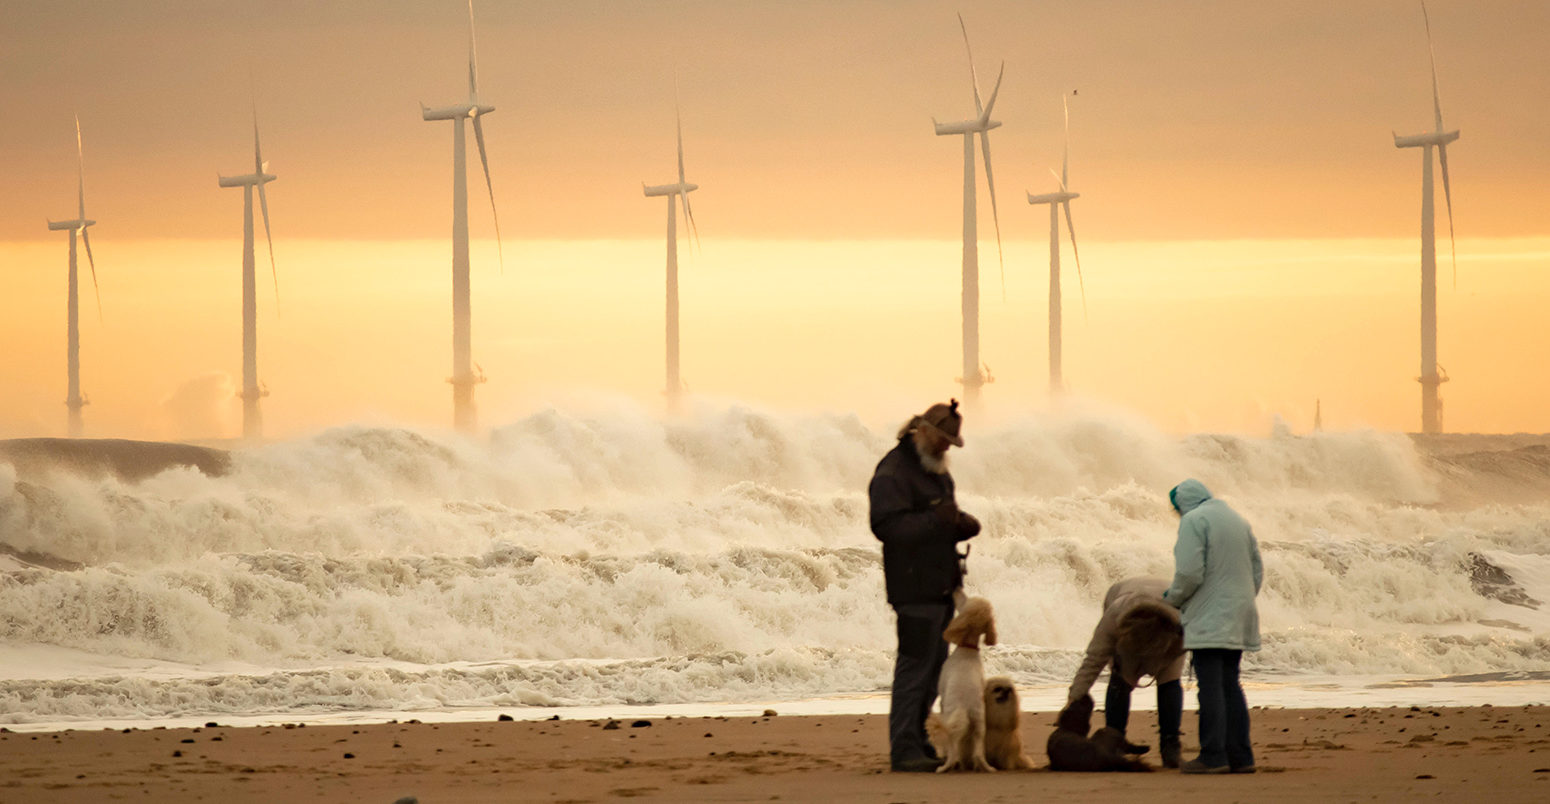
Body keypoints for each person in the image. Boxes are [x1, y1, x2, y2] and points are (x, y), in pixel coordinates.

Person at [869, 399, 981, 772]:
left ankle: (919, 743)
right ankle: (904, 750)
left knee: (934, 671)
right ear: (924, 431)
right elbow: (886, 527)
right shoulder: (893, 472)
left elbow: (940, 517)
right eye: (943, 440)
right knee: (915, 669)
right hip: (914, 590)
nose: (947, 447)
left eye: (951, 442)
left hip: (940, 587)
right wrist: (938, 520)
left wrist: (960, 523)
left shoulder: (933, 469)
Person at [1162, 478, 1264, 775]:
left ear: (1183, 503)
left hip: (1210, 616)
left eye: (1176, 508)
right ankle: (1241, 757)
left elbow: (1190, 573)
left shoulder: (1194, 520)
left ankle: (1213, 755)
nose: (1177, 514)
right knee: (1230, 683)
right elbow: (1256, 570)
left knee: (1210, 687)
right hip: (1240, 612)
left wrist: (1173, 598)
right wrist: (1238, 600)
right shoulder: (1237, 519)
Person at [1066, 577, 1186, 768]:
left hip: (1169, 630)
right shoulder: (1113, 618)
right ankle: (1115, 739)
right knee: (1121, 678)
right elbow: (1094, 660)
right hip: (1128, 619)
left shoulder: (1184, 618)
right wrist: (1074, 697)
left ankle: (1170, 745)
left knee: (1169, 681)